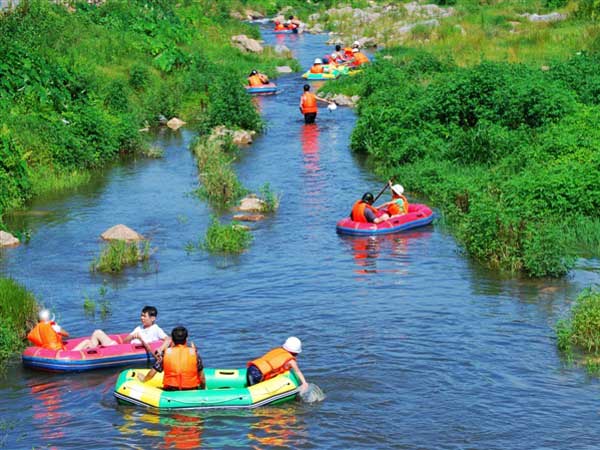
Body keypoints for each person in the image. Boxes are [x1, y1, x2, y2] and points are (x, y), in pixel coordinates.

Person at [138, 326, 206, 391]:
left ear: (172, 339)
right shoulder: (194, 354)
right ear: (186, 339)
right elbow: (202, 378)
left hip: (170, 390)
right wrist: (203, 389)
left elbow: (152, 373)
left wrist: (144, 379)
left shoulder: (166, 354)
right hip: (191, 389)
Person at [73, 305, 169, 351]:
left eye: (144, 316)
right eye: (141, 315)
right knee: (97, 332)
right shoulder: (139, 328)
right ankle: (90, 349)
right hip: (119, 347)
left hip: (118, 350)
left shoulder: (156, 329)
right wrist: (132, 337)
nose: (141, 318)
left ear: (152, 318)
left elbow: (168, 339)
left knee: (87, 341)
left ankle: (76, 352)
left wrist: (160, 348)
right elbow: (124, 341)